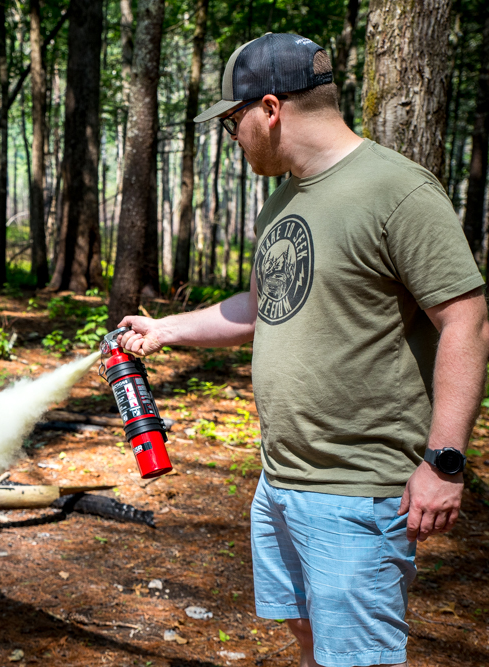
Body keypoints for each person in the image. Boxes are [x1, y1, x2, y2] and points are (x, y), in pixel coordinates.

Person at [116, 33, 489, 667]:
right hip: (281, 479)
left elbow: (467, 320)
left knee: (358, 657)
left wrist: (444, 462)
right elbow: (264, 307)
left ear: (270, 108)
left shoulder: (397, 191)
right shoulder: (283, 200)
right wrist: (168, 329)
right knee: (308, 639)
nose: (232, 135)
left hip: (358, 489)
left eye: (234, 121)